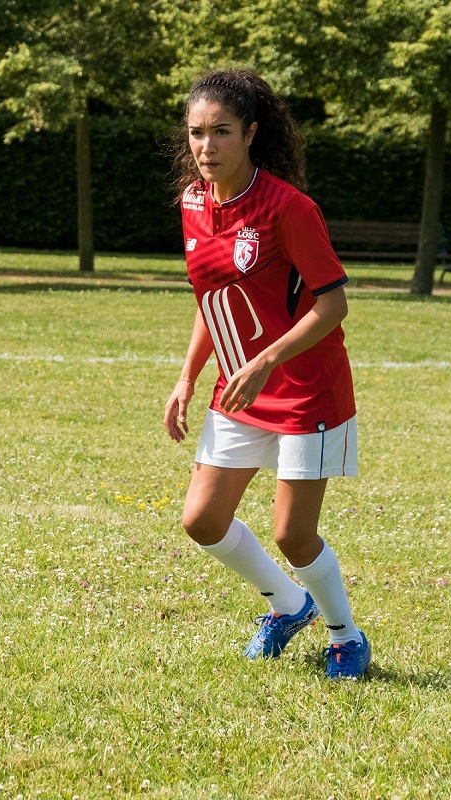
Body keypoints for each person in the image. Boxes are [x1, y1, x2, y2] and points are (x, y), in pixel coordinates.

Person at [162, 68, 371, 680]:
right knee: (201, 519)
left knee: (293, 533)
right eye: (197, 133)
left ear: (251, 133)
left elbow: (333, 303)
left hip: (307, 389)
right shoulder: (193, 204)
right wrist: (187, 378)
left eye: (221, 131)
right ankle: (288, 605)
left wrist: (265, 360)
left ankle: (345, 636)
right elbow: (212, 299)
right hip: (240, 388)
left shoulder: (289, 208)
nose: (206, 146)